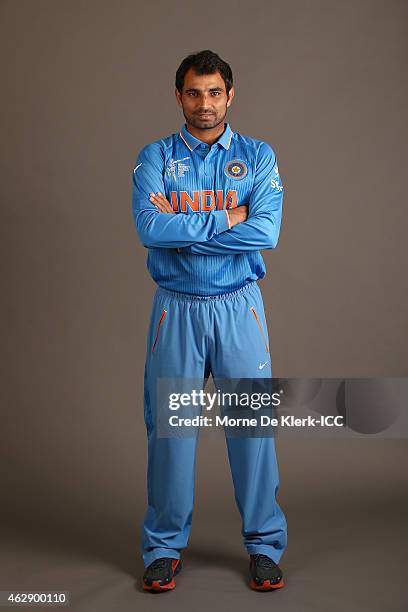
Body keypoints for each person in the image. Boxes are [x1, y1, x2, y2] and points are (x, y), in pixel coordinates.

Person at [131, 49, 287, 592]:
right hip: (176, 308)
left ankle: (265, 546)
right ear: (179, 97)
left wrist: (186, 225)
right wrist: (227, 217)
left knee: (253, 428)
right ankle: (164, 547)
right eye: (194, 93)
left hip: (237, 306)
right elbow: (151, 228)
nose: (205, 103)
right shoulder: (155, 157)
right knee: (171, 433)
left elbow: (265, 233)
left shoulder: (257, 156)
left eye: (214, 92)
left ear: (230, 95)